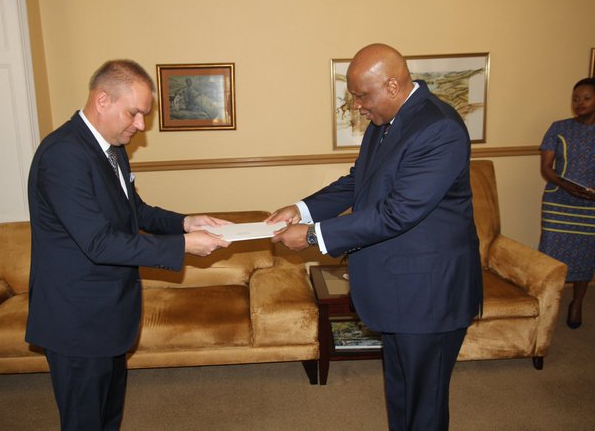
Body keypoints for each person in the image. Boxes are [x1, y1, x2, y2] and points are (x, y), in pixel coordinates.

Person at [267, 43, 483, 431]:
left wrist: (313, 235)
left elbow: (397, 212)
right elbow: (358, 182)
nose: (357, 106)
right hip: (400, 289)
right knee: (401, 393)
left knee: (425, 404)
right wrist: (302, 209)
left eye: (362, 96)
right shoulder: (386, 123)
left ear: (392, 86)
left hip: (429, 294)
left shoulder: (439, 128)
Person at [26, 59, 231, 431]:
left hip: (109, 314)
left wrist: (186, 222)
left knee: (108, 418)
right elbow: (99, 243)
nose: (140, 125)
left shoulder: (112, 147)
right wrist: (183, 245)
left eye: (144, 115)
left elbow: (134, 211)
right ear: (102, 100)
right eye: (134, 113)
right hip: (78, 321)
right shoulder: (63, 155)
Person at [538, 77, 595, 329]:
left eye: (586, 98)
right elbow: (547, 168)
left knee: (586, 255)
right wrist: (567, 185)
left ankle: (577, 303)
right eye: (575, 99)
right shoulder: (559, 128)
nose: (579, 103)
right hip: (558, 200)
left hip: (590, 205)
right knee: (551, 255)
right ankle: (548, 303)